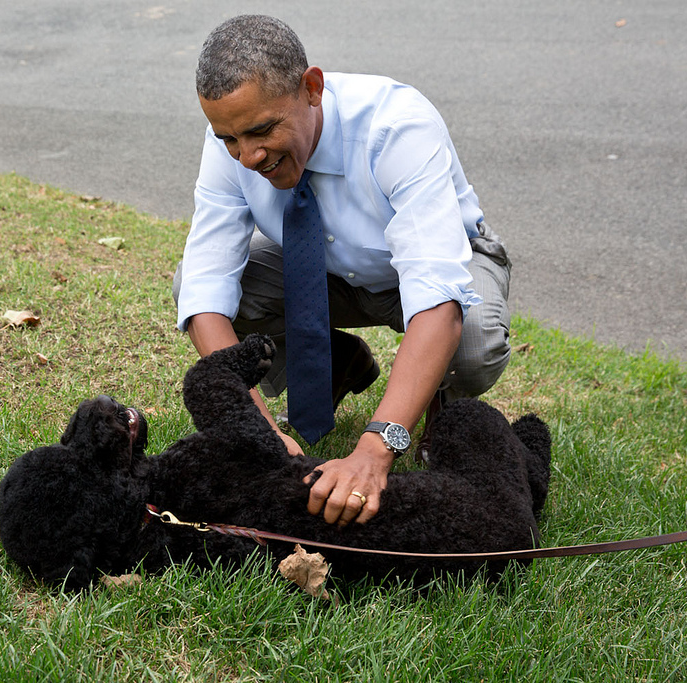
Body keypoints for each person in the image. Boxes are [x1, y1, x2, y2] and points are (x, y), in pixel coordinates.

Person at [172, 14, 511, 528]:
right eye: (230, 140)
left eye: (262, 131)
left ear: (312, 88)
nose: (248, 156)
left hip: (427, 270)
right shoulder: (233, 139)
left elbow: (438, 299)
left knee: (473, 343)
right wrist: (258, 435)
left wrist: (375, 450)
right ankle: (332, 362)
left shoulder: (398, 127)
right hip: (323, 273)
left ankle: (436, 411)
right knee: (201, 290)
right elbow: (204, 291)